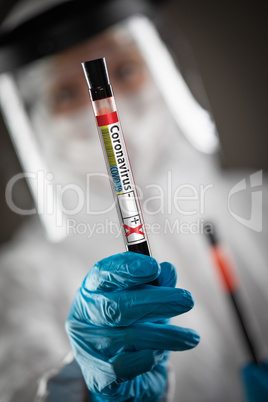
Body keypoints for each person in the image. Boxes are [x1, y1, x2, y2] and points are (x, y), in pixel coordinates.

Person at [0, 0, 267, 401]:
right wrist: (84, 388)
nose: (104, 104)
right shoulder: (20, 278)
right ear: (35, 121)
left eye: (125, 69)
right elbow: (20, 379)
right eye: (64, 94)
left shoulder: (255, 204)